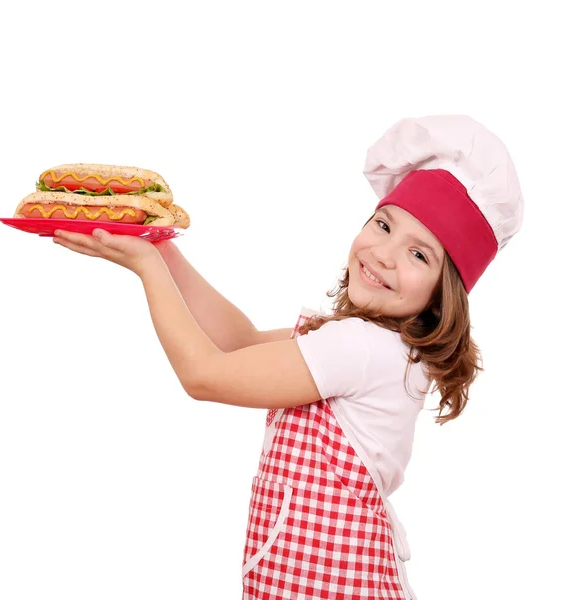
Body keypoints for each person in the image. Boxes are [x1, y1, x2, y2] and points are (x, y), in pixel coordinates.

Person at [51, 114, 524, 599]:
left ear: (444, 296)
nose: (383, 254)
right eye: (383, 225)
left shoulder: (361, 348)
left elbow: (205, 375)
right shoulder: (376, 345)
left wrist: (147, 268)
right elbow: (242, 342)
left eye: (418, 254)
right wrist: (166, 253)